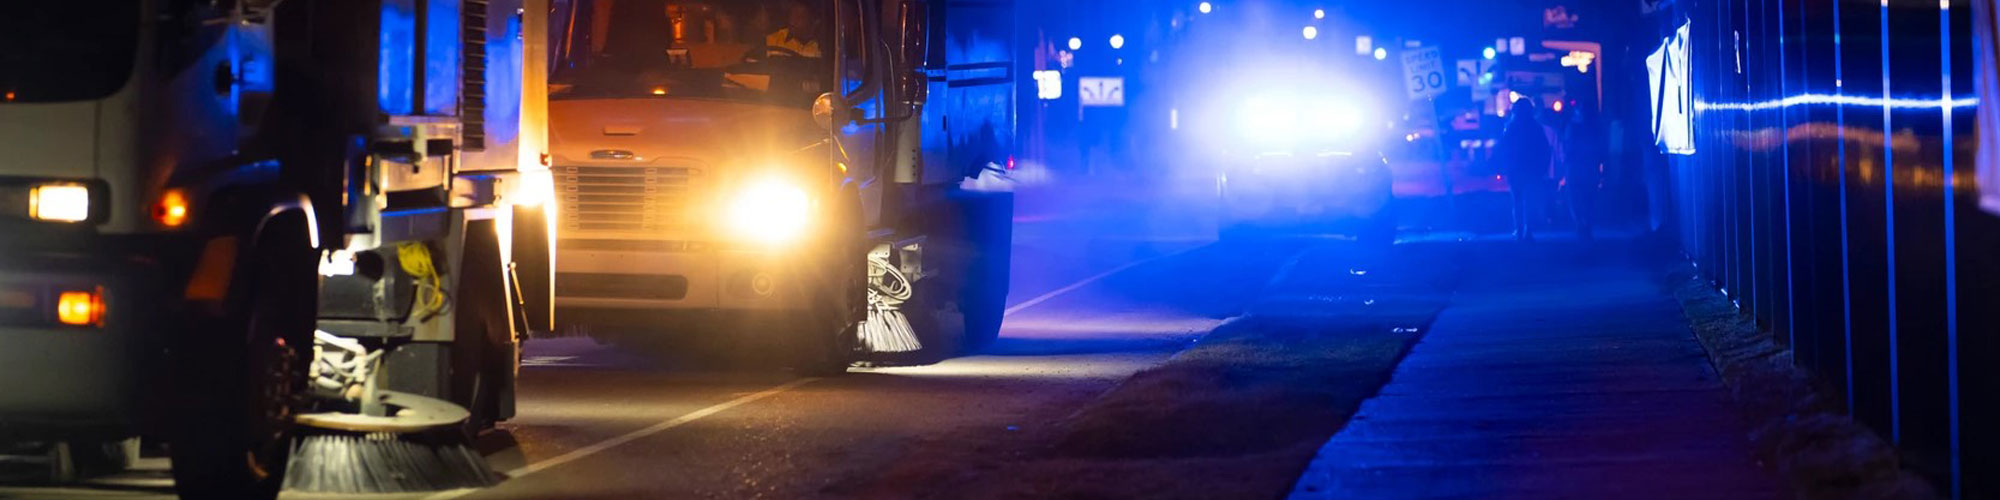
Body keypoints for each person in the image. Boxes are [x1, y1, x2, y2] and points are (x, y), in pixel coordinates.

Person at [1497, 97, 1557, 241]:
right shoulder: (1535, 127)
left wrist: (1504, 166)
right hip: (1531, 169)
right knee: (1529, 200)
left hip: (1516, 169)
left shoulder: (1511, 127)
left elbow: (1503, 148)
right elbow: (1544, 149)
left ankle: (1518, 229)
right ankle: (1527, 229)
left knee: (1517, 199)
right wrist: (1542, 168)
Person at [1562, 107, 1606, 240]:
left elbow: (1567, 147)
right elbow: (1600, 149)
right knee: (1589, 197)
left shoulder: (1572, 128)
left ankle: (1580, 223)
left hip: (1575, 168)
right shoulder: (1595, 129)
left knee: (1576, 197)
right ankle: (1586, 224)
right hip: (1589, 167)